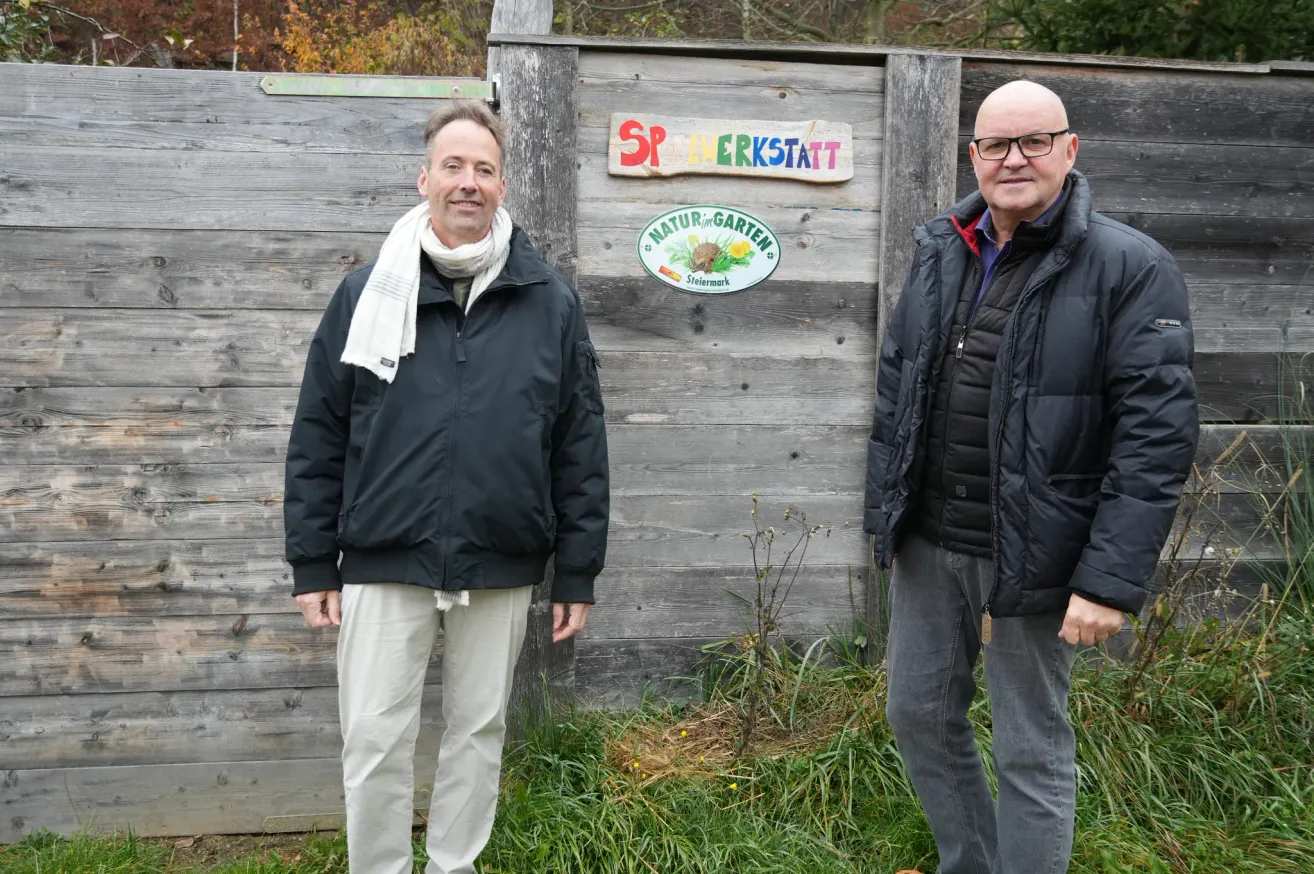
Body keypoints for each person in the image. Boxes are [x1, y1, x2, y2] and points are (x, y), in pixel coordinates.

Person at [864, 80, 1197, 873]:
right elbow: (898, 386)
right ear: (973, 155)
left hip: (1040, 556)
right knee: (915, 715)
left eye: (1033, 141)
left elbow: (1156, 436)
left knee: (1030, 747)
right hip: (931, 538)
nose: (1013, 159)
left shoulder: (1129, 265)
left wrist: (1110, 580)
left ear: (1069, 150)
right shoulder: (942, 246)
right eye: (994, 145)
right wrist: (889, 517)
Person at [283, 100, 609, 874]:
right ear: (424, 176)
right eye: (454, 166)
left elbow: (579, 440)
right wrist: (310, 562)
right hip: (381, 554)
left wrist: (580, 568)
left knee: (478, 731)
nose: (469, 183)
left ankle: (454, 866)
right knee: (373, 737)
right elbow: (319, 431)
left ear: (503, 187)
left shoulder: (551, 303)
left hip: (501, 555)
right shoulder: (366, 293)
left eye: (485, 170)